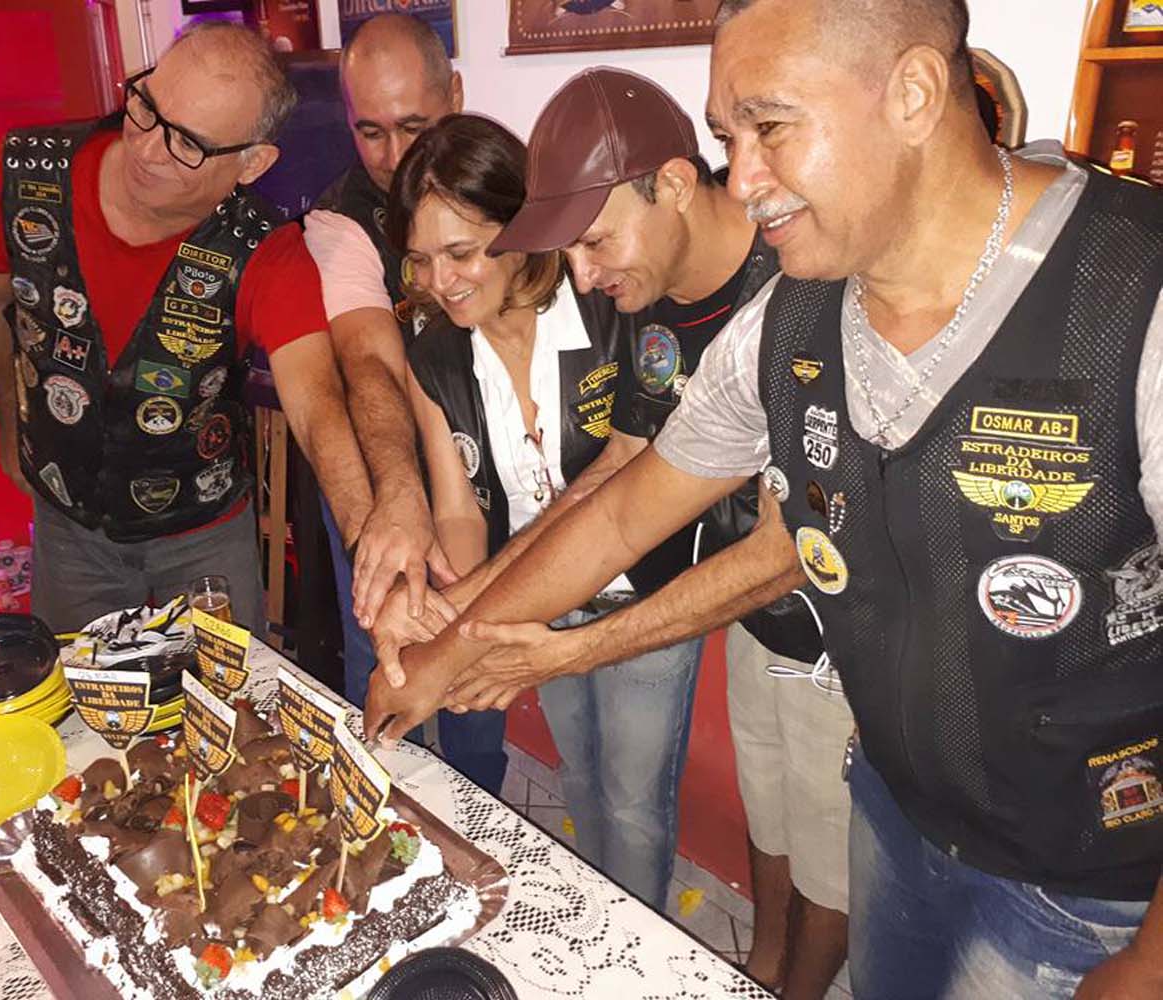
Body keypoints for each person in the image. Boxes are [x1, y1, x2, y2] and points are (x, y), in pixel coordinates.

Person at [367, 0, 1163, 997]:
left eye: (769, 127)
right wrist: (443, 658)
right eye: (726, 138)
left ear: (913, 93)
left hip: (1081, 888)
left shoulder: (1131, 290)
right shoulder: (788, 315)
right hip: (897, 814)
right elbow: (621, 507)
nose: (740, 178)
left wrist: (1151, 962)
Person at [389, 111, 716, 907]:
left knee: (633, 802)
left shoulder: (613, 310)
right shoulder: (434, 354)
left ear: (523, 232)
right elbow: (459, 511)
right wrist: (455, 624)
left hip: (642, 601)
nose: (439, 282)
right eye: (421, 259)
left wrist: (463, 624)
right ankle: (598, 911)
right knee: (579, 777)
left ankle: (634, 940)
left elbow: (630, 483)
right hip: (534, 605)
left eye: (461, 253)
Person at [0, 22, 372, 634]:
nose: (148, 150)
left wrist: (368, 540)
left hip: (202, 533)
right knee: (80, 691)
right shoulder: (25, 173)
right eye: (148, 107)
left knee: (228, 687)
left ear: (252, 163)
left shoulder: (265, 250)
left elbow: (317, 405)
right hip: (67, 523)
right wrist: (7, 426)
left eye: (188, 143)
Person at [301, 12, 461, 700]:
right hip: (373, 469)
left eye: (413, 127)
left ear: (454, 97)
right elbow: (369, 360)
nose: (394, 156)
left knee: (467, 653)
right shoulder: (337, 219)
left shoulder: (497, 184)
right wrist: (399, 493)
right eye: (370, 131)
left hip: (474, 472)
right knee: (379, 661)